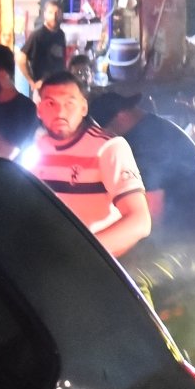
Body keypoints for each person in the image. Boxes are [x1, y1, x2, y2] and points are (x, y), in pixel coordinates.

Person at [94, 89, 195, 296]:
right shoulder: (151, 130)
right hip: (170, 239)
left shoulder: (147, 143)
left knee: (130, 279)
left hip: (185, 245)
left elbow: (151, 214)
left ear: (121, 116)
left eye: (105, 131)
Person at [26, 73, 151, 256]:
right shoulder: (37, 146)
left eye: (69, 104)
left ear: (83, 107)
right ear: (39, 109)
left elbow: (139, 221)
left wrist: (81, 252)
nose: (60, 113)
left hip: (90, 262)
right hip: (45, 256)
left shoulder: (108, 147)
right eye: (51, 104)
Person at [22, 1, 70, 85]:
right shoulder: (38, 35)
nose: (54, 16)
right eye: (50, 13)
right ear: (45, 14)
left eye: (57, 13)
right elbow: (20, 58)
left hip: (58, 83)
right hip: (43, 86)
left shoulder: (61, 34)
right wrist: (31, 82)